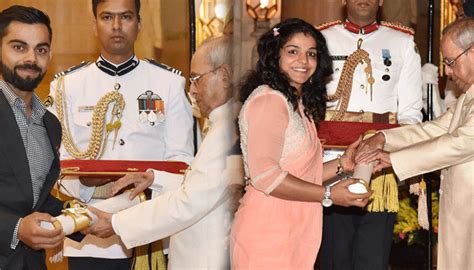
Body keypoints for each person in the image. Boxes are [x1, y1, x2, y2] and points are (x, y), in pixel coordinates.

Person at [47, 0, 194, 269]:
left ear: (138, 23)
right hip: (89, 234)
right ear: (94, 24)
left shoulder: (169, 84)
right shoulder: (66, 86)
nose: (116, 26)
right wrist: (88, 185)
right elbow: (55, 165)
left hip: (150, 232)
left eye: (125, 17)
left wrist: (150, 183)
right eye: (106, 17)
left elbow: (183, 162)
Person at [82, 35, 243, 269]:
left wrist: (116, 224)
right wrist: (154, 178)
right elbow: (202, 184)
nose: (192, 90)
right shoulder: (225, 123)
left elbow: (188, 202)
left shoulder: (227, 130)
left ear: (225, 76)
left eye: (196, 79)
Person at [230, 18, 372, 269]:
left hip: (293, 231)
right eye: (293, 51)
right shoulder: (268, 101)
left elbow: (300, 173)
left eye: (311, 54)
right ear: (275, 55)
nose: (303, 62)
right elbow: (266, 176)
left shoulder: (296, 102)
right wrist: (328, 194)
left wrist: (344, 164)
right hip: (266, 233)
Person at [357, 17, 474, 270]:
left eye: (451, 62)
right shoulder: (469, 96)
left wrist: (393, 159)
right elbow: (438, 128)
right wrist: (385, 138)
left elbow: (462, 142)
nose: (449, 73)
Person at [316, 1, 423, 269]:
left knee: (373, 258)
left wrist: (403, 157)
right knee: (333, 257)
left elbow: (410, 113)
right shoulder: (321, 39)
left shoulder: (402, 42)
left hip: (380, 170)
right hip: (331, 164)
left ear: (381, 1)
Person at [0, 5, 65, 270]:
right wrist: (15, 228)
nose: (31, 58)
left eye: (41, 49)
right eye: (19, 47)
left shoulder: (50, 124)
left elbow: (33, 198)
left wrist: (84, 216)